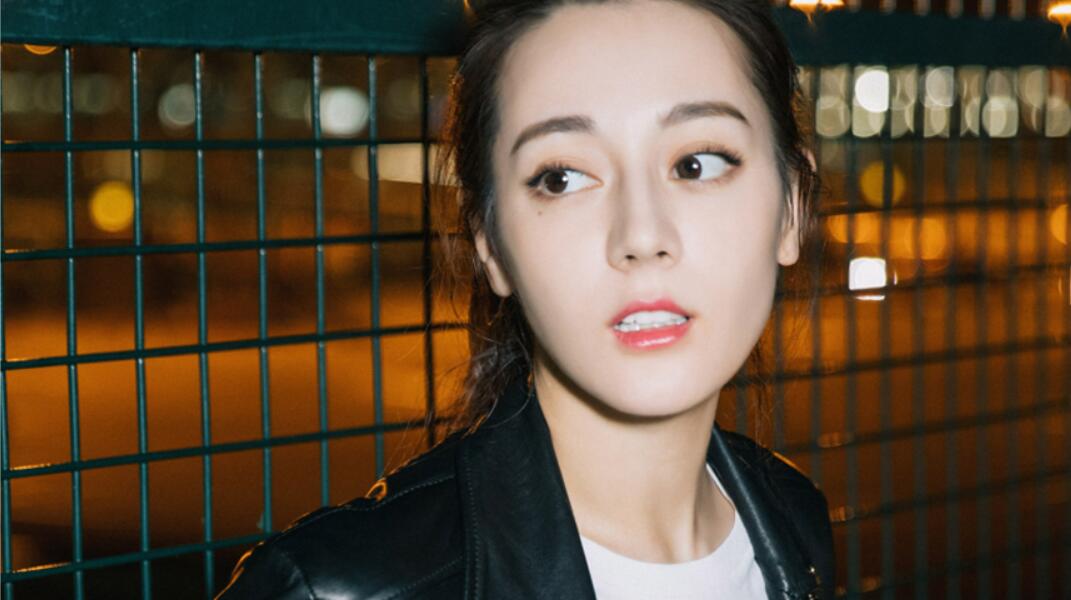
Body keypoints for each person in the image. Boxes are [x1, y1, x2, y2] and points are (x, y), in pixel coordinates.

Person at [217, 0, 833, 597]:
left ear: (792, 207)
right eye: (561, 178)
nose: (642, 235)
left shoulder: (792, 516)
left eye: (697, 164)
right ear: (490, 245)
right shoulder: (329, 587)